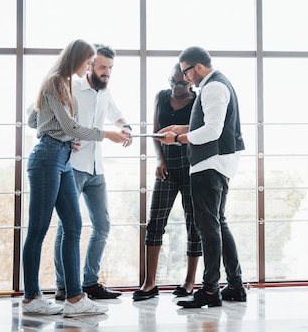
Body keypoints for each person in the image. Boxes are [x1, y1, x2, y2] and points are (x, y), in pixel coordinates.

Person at [22, 39, 130, 316]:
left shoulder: (65, 84)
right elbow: (67, 124)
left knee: (74, 225)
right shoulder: (56, 81)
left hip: (64, 158)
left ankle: (74, 299)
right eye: (88, 62)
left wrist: (67, 136)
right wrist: (104, 134)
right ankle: (31, 298)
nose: (89, 67)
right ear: (78, 59)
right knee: (37, 229)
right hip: (47, 158)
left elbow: (38, 120)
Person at [157, 46, 247, 308]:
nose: (185, 78)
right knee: (218, 223)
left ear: (197, 66)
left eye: (186, 72)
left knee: (208, 227)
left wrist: (178, 139)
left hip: (209, 164)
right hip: (217, 163)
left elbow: (212, 131)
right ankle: (234, 285)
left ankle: (209, 290)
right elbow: (207, 124)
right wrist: (180, 128)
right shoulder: (216, 84)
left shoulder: (213, 87)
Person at [53, 44, 132, 302]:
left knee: (103, 225)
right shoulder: (71, 86)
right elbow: (36, 111)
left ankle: (90, 282)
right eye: (102, 67)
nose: (106, 72)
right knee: (67, 228)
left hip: (97, 170)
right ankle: (64, 286)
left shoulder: (104, 92)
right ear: (90, 65)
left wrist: (126, 127)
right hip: (73, 167)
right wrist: (62, 136)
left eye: (110, 68)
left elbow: (116, 115)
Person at [133, 64, 202, 302]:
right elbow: (155, 132)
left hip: (191, 165)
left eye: (181, 83)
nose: (175, 87)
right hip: (167, 166)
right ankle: (150, 283)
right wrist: (160, 159)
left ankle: (190, 281)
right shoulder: (161, 96)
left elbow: (201, 132)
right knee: (155, 222)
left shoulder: (198, 101)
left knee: (194, 223)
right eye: (171, 81)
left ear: (190, 82)